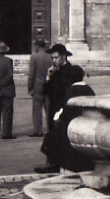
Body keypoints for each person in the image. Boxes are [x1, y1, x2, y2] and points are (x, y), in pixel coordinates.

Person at [35, 43, 80, 173]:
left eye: (56, 57)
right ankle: (53, 162)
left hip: (62, 107)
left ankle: (55, 163)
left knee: (59, 134)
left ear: (64, 57)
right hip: (53, 107)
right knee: (53, 132)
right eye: (52, 58)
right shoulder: (54, 71)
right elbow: (46, 91)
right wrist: (48, 78)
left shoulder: (70, 71)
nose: (54, 60)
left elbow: (65, 90)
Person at [27, 37, 51, 137]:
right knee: (49, 109)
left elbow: (32, 74)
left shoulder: (34, 57)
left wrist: (30, 87)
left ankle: (38, 130)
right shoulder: (50, 56)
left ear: (37, 46)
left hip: (38, 86)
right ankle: (50, 129)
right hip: (49, 85)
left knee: (37, 109)